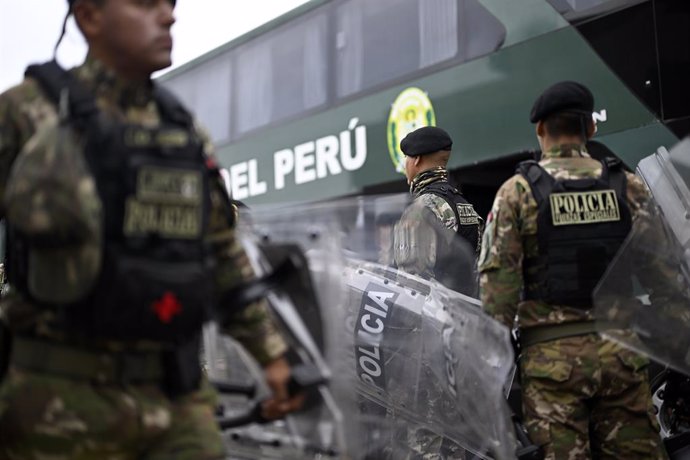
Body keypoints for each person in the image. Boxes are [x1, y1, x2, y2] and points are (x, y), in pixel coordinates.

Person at [0, 1, 301, 458]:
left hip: (176, 404)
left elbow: (222, 252)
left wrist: (272, 356)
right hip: (58, 408)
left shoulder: (181, 127)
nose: (168, 16)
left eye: (171, 4)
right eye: (146, 3)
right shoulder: (27, 112)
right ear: (90, 17)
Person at [479, 81, 666, 459]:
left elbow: (497, 299)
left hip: (552, 369)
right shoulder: (628, 188)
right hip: (622, 357)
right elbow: (666, 280)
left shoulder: (518, 194)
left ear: (540, 130)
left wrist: (488, 375)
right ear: (591, 127)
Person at [393, 126, 482, 296]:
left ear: (416, 160)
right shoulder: (464, 205)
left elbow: (411, 288)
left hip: (435, 317)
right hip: (468, 315)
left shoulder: (420, 210)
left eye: (406, 157)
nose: (405, 164)